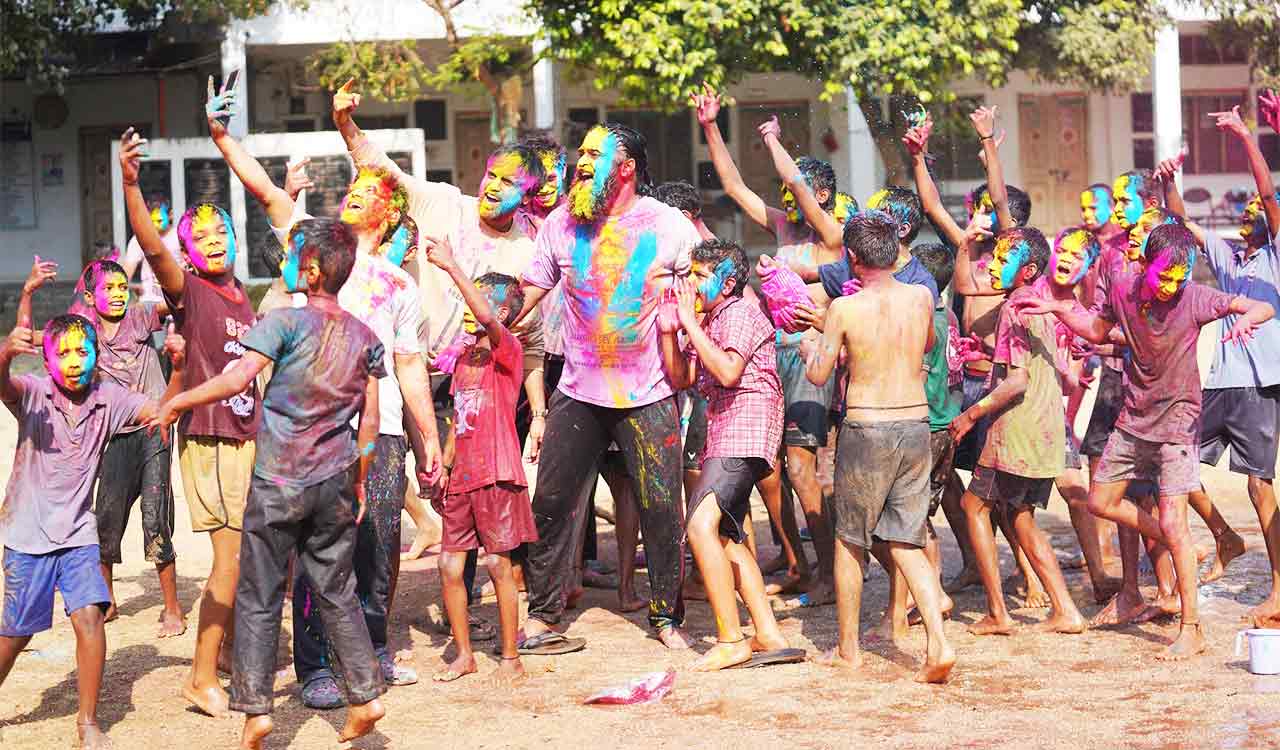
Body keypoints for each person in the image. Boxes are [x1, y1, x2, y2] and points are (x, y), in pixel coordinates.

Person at [201, 77, 443, 705]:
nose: (351, 196)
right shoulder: (312, 244)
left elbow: (411, 368)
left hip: (380, 430)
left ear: (389, 213)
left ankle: (372, 649)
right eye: (351, 187)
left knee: (379, 545)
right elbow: (259, 186)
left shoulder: (398, 285)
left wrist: (430, 441)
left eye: (366, 192)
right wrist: (223, 136)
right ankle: (315, 667)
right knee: (314, 557)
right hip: (312, 439)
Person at [154, 217, 388, 748]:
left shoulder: (282, 323)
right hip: (334, 481)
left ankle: (256, 712)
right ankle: (367, 696)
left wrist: (178, 401)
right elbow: (369, 420)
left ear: (307, 271)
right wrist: (359, 477)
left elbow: (236, 379)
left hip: (279, 480)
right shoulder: (364, 336)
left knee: (260, 595)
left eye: (291, 256)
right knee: (338, 590)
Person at [1016, 222, 1274, 659]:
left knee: (1174, 518)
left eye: (1180, 275)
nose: (1172, 285)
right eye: (1165, 275)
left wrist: (1247, 319)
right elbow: (1097, 329)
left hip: (1179, 419)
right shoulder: (1123, 288)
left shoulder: (1195, 297)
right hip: (1135, 418)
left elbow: (1260, 306)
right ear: (1145, 264)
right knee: (1100, 501)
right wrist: (1054, 309)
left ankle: (1191, 628)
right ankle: (1178, 540)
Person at [512, 122, 700, 652]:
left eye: (597, 152)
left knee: (661, 507)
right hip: (577, 388)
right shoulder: (562, 223)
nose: (583, 159)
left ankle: (667, 616)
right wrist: (494, 320)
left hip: (650, 392)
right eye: (583, 151)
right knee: (550, 502)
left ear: (627, 168)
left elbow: (705, 287)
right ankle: (545, 614)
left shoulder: (668, 225)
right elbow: (531, 289)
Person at [120, 126, 257, 717]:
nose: (213, 240)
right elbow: (153, 250)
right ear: (189, 253)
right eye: (198, 237)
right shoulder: (193, 291)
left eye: (219, 230)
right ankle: (199, 677)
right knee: (228, 562)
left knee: (248, 558)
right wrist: (130, 184)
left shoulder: (242, 295)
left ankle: (223, 652)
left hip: (246, 437)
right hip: (210, 439)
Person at [0, 313, 176, 750]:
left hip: (78, 533)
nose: (74, 361)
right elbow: (2, 384)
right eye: (63, 353)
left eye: (83, 351)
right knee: (16, 632)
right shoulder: (33, 393)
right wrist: (4, 353)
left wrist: (183, 370)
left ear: (97, 356)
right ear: (45, 359)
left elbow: (160, 412)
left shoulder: (109, 398)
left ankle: (87, 724)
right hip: (29, 534)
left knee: (90, 617)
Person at [694, 87, 840, 606]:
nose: (785, 200)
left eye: (797, 194)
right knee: (773, 467)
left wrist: (774, 139)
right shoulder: (781, 226)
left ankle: (827, 574)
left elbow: (795, 183)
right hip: (774, 353)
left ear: (820, 197)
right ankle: (798, 564)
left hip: (808, 354)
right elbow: (733, 185)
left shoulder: (829, 235)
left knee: (802, 467)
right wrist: (711, 126)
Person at [805, 211, 955, 683]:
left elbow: (819, 375)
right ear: (895, 250)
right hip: (914, 423)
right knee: (908, 540)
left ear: (852, 258)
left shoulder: (845, 309)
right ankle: (939, 641)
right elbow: (927, 343)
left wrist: (817, 345)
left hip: (868, 427)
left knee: (850, 540)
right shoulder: (920, 296)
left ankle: (848, 649)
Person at [657, 239, 792, 671]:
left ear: (728, 282)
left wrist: (689, 325)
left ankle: (730, 638)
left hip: (746, 428)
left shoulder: (737, 314)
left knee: (699, 527)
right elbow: (683, 377)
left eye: (700, 276)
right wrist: (668, 330)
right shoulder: (711, 319)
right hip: (726, 432)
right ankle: (768, 633)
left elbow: (730, 371)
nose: (691, 283)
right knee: (725, 538)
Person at [1170, 99, 1280, 625]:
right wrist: (1169, 180)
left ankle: (1279, 589)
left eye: (1256, 213)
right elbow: (1181, 224)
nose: (1248, 214)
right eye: (1244, 213)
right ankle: (1223, 535)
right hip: (1219, 383)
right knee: (1177, 464)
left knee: (1260, 486)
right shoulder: (1228, 257)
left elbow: (1265, 190)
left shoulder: (1276, 257)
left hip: (1261, 384)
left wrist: (1244, 135)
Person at [949, 226, 1087, 637]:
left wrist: (971, 415)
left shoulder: (1014, 309)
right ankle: (1066, 610)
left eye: (1002, 259)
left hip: (1016, 430)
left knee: (975, 507)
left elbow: (1016, 381)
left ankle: (997, 612)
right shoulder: (1039, 302)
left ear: (1026, 269)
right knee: (1022, 518)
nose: (992, 264)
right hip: (1043, 428)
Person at [425, 241, 538, 684]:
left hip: (497, 472)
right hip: (465, 478)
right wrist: (444, 469)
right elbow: (457, 421)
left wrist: (454, 266)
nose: (476, 309)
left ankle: (510, 656)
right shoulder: (466, 359)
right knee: (450, 566)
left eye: (485, 301)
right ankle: (466, 654)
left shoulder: (506, 349)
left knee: (497, 564)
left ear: (506, 315)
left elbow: (489, 318)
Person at [70, 259, 185, 637]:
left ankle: (171, 607)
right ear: (89, 297)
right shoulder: (86, 337)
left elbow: (177, 298)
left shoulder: (139, 317)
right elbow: (48, 344)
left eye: (123, 287)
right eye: (109, 289)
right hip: (113, 440)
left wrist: (182, 270)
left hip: (154, 432)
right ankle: (108, 599)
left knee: (155, 518)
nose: (118, 295)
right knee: (107, 519)